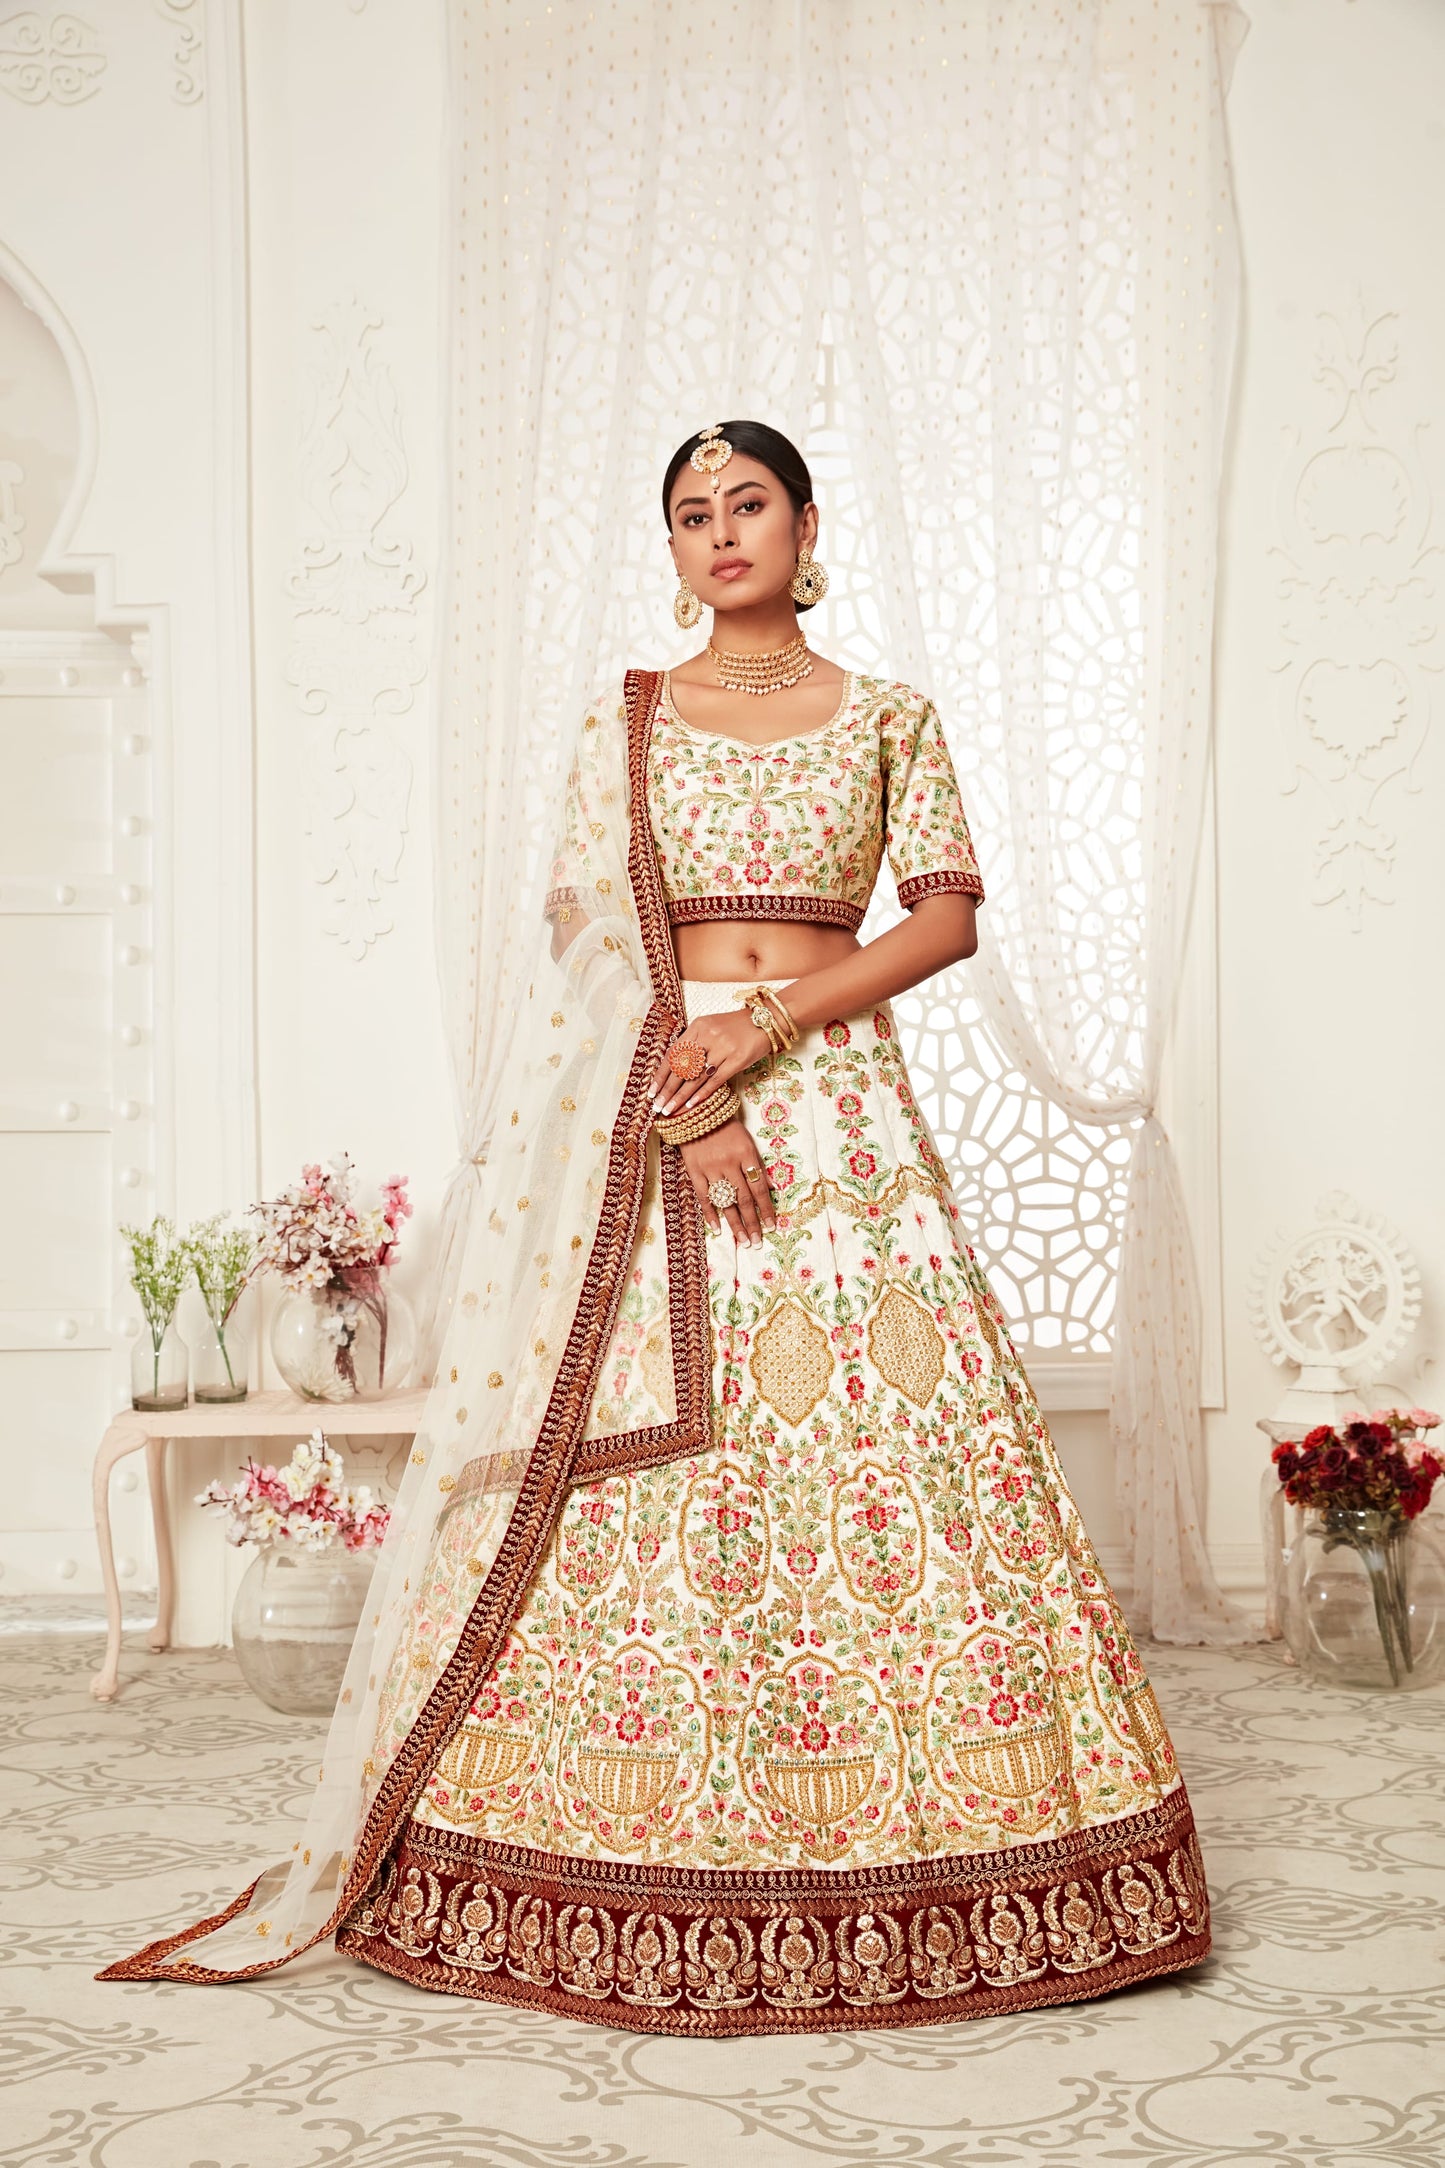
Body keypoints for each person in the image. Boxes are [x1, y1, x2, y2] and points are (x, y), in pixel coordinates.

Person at [103, 419, 1209, 2032]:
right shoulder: (622, 724)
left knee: (882, 1448)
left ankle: (934, 1835)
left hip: (839, 1105)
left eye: (747, 503)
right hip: (664, 1098)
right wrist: (693, 1099)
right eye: (691, 514)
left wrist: (771, 1026)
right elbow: (584, 930)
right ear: (674, 549)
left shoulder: (889, 715)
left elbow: (947, 920)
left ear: (804, 524)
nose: (720, 532)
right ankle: (616, 1831)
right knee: (636, 1458)